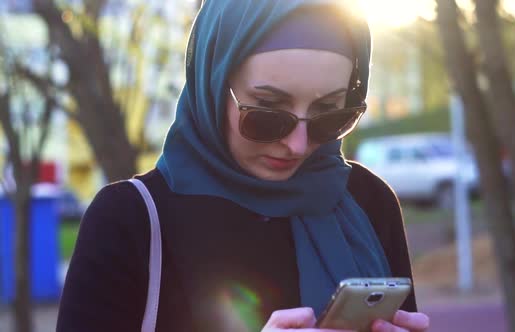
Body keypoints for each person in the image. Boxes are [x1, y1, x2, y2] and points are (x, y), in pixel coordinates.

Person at [56, 0, 430, 331]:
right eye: (267, 113)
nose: (297, 145)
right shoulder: (129, 220)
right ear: (213, 83)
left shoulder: (367, 202)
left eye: (328, 114)